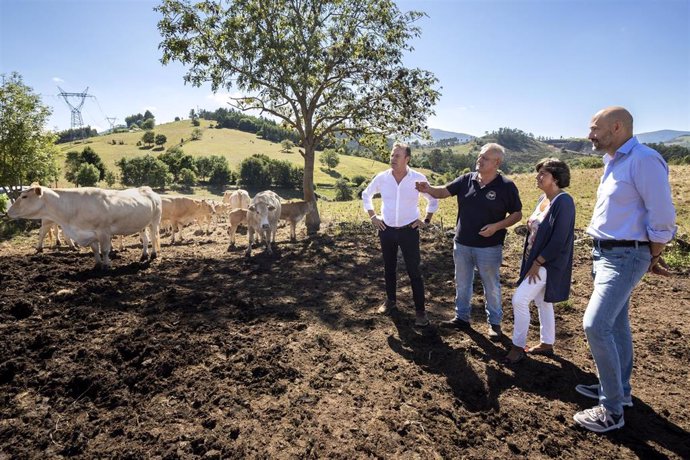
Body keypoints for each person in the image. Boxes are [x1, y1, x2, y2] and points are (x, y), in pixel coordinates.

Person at [573, 107, 676, 433]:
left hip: (625, 257)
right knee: (616, 325)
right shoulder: (614, 162)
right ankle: (618, 388)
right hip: (605, 255)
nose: (590, 135)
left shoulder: (643, 160)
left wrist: (651, 257)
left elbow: (662, 217)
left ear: (616, 127)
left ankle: (611, 409)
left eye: (594, 129)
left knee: (595, 324)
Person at [415, 143, 522, 339]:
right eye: (479, 156)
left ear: (497, 162)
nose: (479, 160)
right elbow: (443, 192)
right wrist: (428, 188)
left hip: (489, 247)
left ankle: (495, 324)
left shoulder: (506, 186)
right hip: (462, 243)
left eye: (485, 158)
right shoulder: (467, 179)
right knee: (462, 283)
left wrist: (497, 227)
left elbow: (517, 214)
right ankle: (462, 317)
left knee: (491, 286)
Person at [504, 158, 575, 364]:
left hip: (547, 263)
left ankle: (517, 347)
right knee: (542, 301)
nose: (538, 177)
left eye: (543, 174)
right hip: (535, 260)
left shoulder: (564, 201)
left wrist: (538, 262)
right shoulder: (543, 200)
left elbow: (560, 239)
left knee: (520, 299)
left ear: (556, 178)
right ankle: (547, 343)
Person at [362, 142, 439, 327]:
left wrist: (426, 220)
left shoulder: (418, 179)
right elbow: (366, 194)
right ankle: (390, 301)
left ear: (407, 159)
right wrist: (373, 216)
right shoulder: (382, 178)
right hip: (386, 229)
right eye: (392, 155)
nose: (392, 158)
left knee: (414, 271)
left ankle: (420, 312)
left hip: (409, 231)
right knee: (389, 267)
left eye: (397, 155)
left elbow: (433, 199)